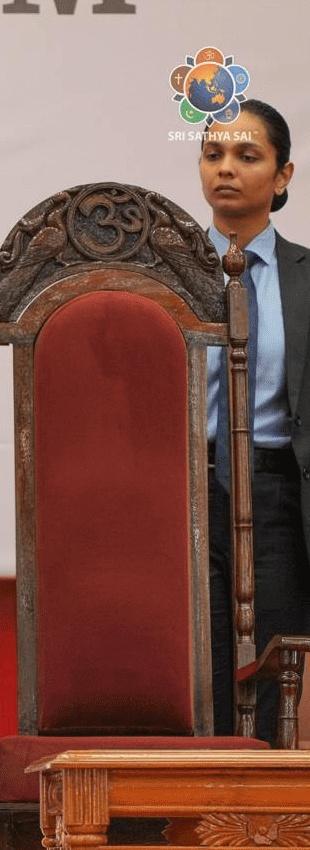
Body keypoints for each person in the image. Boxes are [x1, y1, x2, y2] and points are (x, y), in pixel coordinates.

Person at [201, 99, 309, 745]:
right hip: (186, 487)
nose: (226, 169)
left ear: (284, 173)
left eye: (247, 155)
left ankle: (261, 820)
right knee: (201, 655)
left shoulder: (304, 276)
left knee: (273, 660)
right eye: (213, 154)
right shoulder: (172, 273)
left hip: (277, 492)